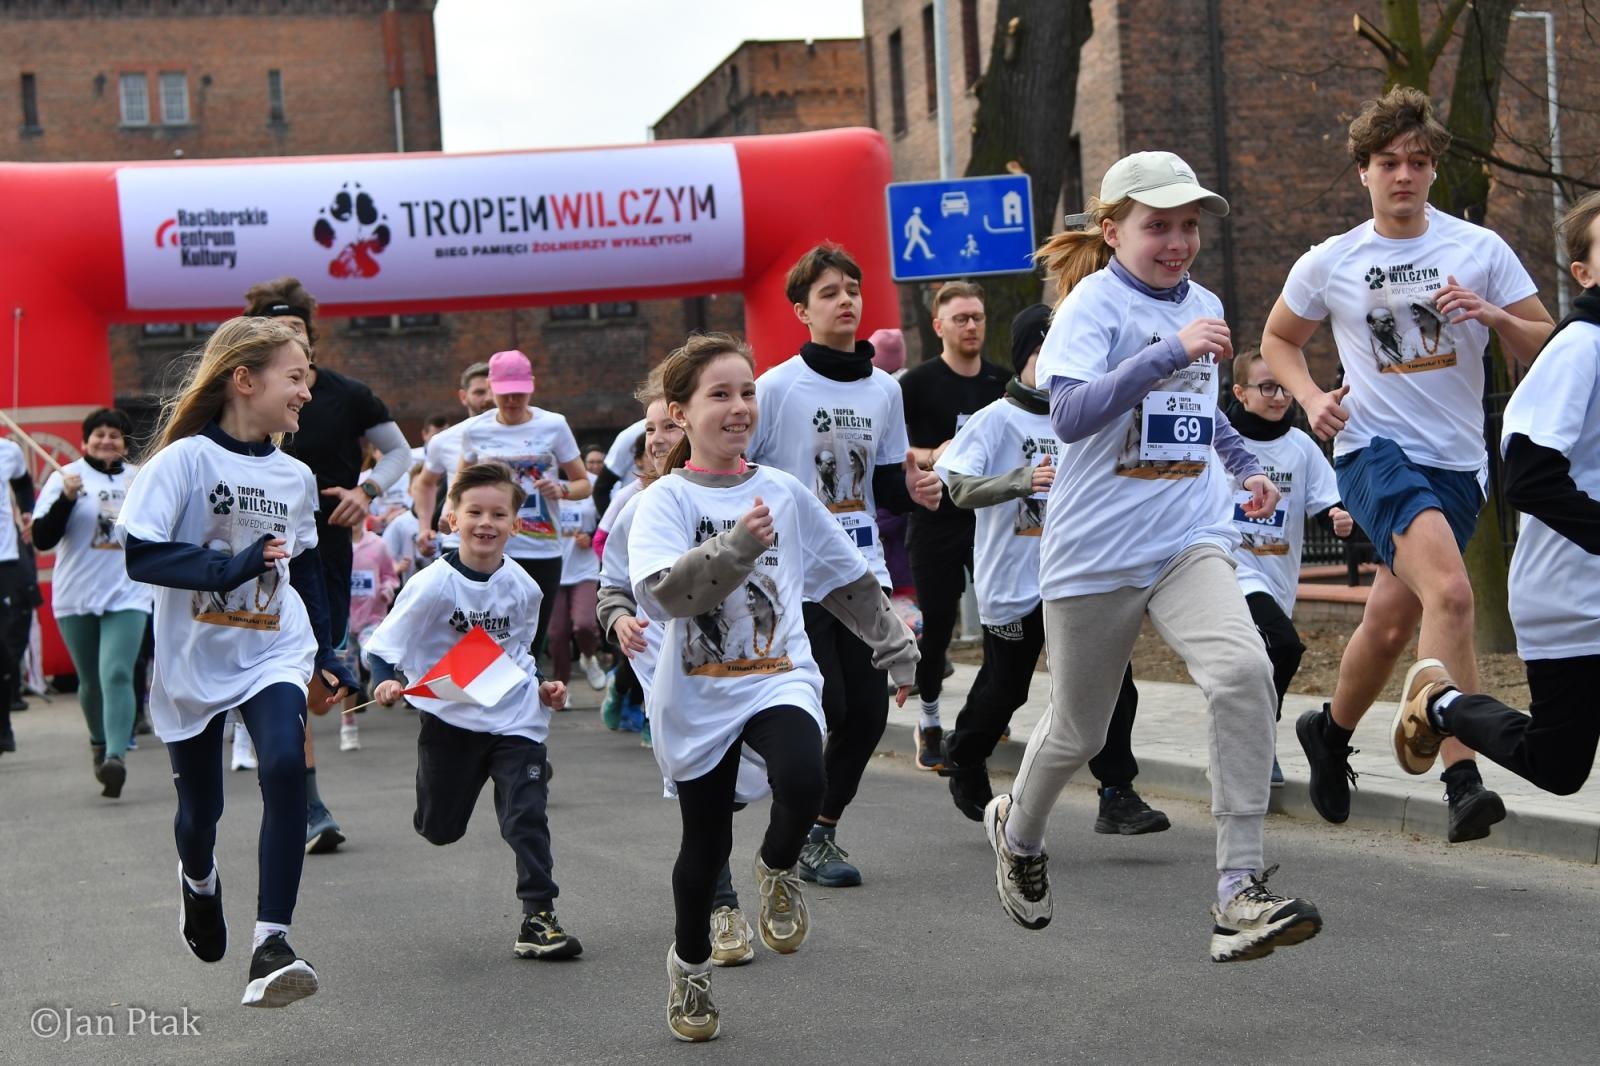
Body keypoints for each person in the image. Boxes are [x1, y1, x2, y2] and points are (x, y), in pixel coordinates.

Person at [984, 151, 1322, 964]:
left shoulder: (1201, 302)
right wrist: (1168, 350)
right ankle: (1019, 834)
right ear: (1113, 231)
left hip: (1187, 537)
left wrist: (1245, 471)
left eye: (1188, 226)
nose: (1177, 242)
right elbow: (1068, 414)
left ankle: (1238, 890)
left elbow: (1197, 414)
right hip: (1095, 553)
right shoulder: (1092, 308)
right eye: (1157, 226)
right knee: (1079, 728)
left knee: (1244, 671)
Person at [1260, 87, 1554, 842]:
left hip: (1458, 463)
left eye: (1416, 163)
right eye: (1388, 162)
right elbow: (1279, 340)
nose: (1403, 176)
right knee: (1452, 595)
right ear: (1363, 170)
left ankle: (1328, 731)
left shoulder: (1479, 250)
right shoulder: (1334, 260)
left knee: (1393, 622)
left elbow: (1549, 347)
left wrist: (1492, 317)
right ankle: (1463, 776)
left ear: (1432, 172)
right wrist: (1308, 399)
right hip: (1372, 450)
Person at [628, 333, 917, 1041]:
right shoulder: (663, 502)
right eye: (720, 395)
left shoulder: (782, 491)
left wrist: (896, 649)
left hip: (778, 675)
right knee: (702, 845)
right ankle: (690, 970)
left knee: (804, 775)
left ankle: (780, 865)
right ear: (680, 412)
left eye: (747, 392)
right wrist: (735, 548)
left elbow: (843, 573)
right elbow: (666, 597)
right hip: (697, 695)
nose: (739, 408)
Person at [116, 315, 357, 1008]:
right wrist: (231, 565)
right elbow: (143, 555)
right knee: (202, 812)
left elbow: (304, 570)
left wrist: (330, 649)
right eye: (295, 376)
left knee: (284, 762)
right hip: (195, 655)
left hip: (272, 647)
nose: (307, 392)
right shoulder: (183, 461)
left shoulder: (296, 475)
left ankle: (271, 944)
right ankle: (198, 882)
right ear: (244, 380)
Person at [1390, 191, 1600, 796]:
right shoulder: (1578, 348)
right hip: (1571, 600)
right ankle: (1441, 705)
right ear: (1583, 273)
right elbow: (1530, 476)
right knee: (1558, 766)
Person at [747, 243, 941, 888]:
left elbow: (884, 485)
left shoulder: (885, 389)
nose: (846, 300)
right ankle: (786, 809)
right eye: (829, 292)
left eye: (852, 289)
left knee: (868, 714)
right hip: (794, 575)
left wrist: (916, 492)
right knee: (824, 702)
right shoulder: (775, 388)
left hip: (859, 570)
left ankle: (819, 830)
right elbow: (740, 475)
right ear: (802, 310)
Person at [936, 305, 1168, 834]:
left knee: (1115, 683)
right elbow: (958, 487)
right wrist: (1021, 480)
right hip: (1014, 583)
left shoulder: (1093, 418)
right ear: (1024, 360)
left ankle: (1117, 793)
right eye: (1047, 355)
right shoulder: (996, 420)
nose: (1063, 365)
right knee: (1006, 688)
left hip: (1082, 575)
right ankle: (966, 755)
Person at [366, 462, 579, 961]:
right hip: (450, 718)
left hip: (512, 715)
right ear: (452, 518)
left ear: (515, 523)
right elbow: (383, 648)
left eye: (498, 514)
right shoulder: (433, 584)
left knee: (526, 814)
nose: (486, 523)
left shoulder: (525, 587)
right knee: (440, 828)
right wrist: (385, 681)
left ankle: (538, 916)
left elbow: (519, 654)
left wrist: (544, 689)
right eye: (475, 512)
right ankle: (475, 784)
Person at [243, 276, 412, 855]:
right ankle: (307, 806)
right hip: (260, 555)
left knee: (320, 691)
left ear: (311, 340)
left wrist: (366, 492)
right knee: (286, 678)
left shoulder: (346, 394)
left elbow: (399, 452)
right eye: (272, 332)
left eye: (295, 331)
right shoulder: (239, 397)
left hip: (328, 551)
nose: (287, 339)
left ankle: (292, 780)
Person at [599, 369, 762, 965]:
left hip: (750, 660)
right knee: (706, 787)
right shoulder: (636, 506)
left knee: (752, 777)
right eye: (650, 431)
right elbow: (612, 584)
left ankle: (764, 863)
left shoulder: (754, 491)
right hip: (669, 661)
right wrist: (618, 619)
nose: (660, 439)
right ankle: (721, 908)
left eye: (669, 426)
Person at [1224, 349, 1353, 785]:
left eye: (1284, 387)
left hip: (1279, 576)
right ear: (1240, 392)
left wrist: (1338, 517)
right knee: (1284, 646)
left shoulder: (1299, 447)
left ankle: (1239, 740)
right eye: (1266, 387)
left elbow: (1326, 502)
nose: (1279, 396)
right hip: (1232, 571)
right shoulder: (1220, 443)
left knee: (1257, 664)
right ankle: (1258, 743)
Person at [898, 281, 1010, 770]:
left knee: (999, 618)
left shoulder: (1000, 384)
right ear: (938, 326)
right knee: (938, 625)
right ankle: (928, 723)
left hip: (987, 519)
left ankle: (990, 707)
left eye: (977, 317)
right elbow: (892, 448)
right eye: (961, 318)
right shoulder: (917, 384)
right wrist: (933, 454)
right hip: (935, 519)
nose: (971, 326)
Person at [30, 408, 154, 796]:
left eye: (114, 435)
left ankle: (116, 756)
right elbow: (42, 538)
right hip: (76, 595)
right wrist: (66, 499)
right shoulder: (63, 478)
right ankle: (99, 745)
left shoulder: (140, 481)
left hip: (129, 592)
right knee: (90, 681)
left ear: (124, 443)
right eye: (99, 434)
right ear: (85, 442)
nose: (106, 441)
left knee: (116, 673)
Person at [453, 350, 591, 655]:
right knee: (486, 635)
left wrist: (561, 490)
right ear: (491, 389)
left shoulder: (554, 425)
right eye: (505, 395)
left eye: (520, 394)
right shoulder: (476, 430)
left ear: (531, 388)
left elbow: (584, 484)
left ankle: (525, 697)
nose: (513, 402)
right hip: (490, 547)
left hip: (541, 548)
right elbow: (459, 485)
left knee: (530, 639)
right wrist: (451, 514)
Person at [411, 362, 497, 561]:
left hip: (514, 540)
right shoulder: (444, 440)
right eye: (479, 392)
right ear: (463, 397)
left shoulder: (524, 434)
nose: (488, 398)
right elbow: (425, 483)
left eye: (493, 390)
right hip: (458, 541)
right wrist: (424, 528)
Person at [337, 518, 400, 751]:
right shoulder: (334, 545)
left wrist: (386, 589)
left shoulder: (378, 545)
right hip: (343, 621)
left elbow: (390, 576)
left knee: (371, 650)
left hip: (372, 617)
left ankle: (378, 674)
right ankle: (348, 727)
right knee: (348, 675)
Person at [551, 461, 607, 692]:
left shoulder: (593, 484)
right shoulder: (543, 483)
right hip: (553, 567)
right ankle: (560, 685)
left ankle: (588, 657)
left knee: (584, 625)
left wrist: (591, 535)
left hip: (584, 567)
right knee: (557, 634)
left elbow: (607, 521)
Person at [0, 431, 35, 750]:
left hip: (4, 560)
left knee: (7, 643)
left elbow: (23, 482)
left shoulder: (7, 452)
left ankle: (4, 724)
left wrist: (26, 511)